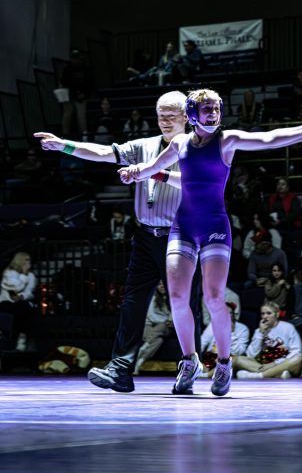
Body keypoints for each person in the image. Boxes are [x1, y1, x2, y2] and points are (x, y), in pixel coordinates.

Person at [119, 87, 302, 396]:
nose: (213, 113)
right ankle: (189, 361)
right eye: (207, 109)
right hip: (183, 226)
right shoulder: (180, 143)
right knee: (176, 297)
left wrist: (301, 133)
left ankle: (224, 363)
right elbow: (154, 167)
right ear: (191, 115)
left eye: (216, 108)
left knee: (214, 297)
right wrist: (135, 172)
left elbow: (268, 140)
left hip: (214, 227)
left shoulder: (227, 141)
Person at [34, 90, 202, 393]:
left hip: (181, 236)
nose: (165, 120)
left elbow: (197, 185)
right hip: (145, 236)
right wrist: (63, 146)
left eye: (171, 114)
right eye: (160, 114)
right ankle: (121, 369)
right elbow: (101, 153)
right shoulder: (142, 146)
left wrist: (154, 173)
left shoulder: (197, 148)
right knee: (132, 303)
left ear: (186, 117)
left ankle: (187, 367)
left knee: (185, 305)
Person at [234, 301, 302, 379]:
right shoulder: (258, 331)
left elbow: (296, 352)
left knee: (297, 359)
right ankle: (277, 374)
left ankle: (260, 375)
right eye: (263, 314)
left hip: (283, 363)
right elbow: (251, 355)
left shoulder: (288, 327)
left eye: (269, 313)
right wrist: (260, 333)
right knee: (239, 359)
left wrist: (275, 363)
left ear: (277, 314)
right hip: (262, 364)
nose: (265, 316)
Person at [133, 280, 174, 375]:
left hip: (165, 327)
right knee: (158, 341)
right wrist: (164, 319)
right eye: (159, 284)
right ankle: (139, 363)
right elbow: (151, 316)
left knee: (162, 326)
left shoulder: (171, 297)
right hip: (149, 325)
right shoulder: (153, 297)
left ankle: (141, 351)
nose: (162, 286)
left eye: (164, 284)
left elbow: (172, 316)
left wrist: (168, 321)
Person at [200, 302, 249, 377]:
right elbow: (201, 344)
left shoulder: (242, 329)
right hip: (210, 360)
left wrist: (231, 332)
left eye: (229, 313)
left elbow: (239, 352)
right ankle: (207, 373)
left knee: (232, 360)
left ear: (233, 315)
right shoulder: (212, 325)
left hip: (229, 361)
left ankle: (207, 375)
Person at [0, 252, 37, 351]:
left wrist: (22, 296)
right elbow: (16, 288)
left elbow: (30, 292)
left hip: (22, 302)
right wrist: (24, 275)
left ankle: (21, 337)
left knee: (23, 308)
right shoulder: (9, 273)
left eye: (29, 260)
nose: (29, 263)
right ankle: (16, 337)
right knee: (14, 309)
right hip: (6, 302)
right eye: (26, 260)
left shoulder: (31, 276)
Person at [60, 49, 93, 138]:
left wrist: (84, 94)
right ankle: (65, 135)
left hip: (81, 96)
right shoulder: (68, 69)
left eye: (77, 59)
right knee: (67, 116)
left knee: (81, 118)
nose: (75, 61)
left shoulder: (85, 69)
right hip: (69, 96)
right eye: (73, 59)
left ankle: (83, 136)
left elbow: (89, 83)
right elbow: (64, 82)